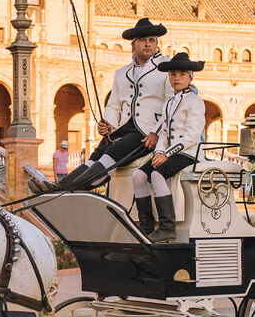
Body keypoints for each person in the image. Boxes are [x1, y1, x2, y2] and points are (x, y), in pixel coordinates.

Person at [28, 18, 173, 193]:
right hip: (123, 128)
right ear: (134, 44)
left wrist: (156, 132)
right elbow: (113, 105)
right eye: (143, 40)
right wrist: (108, 125)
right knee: (94, 157)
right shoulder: (122, 73)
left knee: (110, 154)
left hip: (146, 132)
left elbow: (171, 104)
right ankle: (58, 186)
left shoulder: (167, 68)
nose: (148, 44)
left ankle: (63, 190)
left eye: (152, 40)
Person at [132, 53, 206, 242]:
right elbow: (164, 132)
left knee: (157, 174)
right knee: (139, 175)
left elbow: (192, 135)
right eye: (173, 74)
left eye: (181, 74)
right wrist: (158, 152)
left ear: (190, 77)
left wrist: (167, 153)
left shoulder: (195, 102)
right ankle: (146, 224)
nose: (176, 78)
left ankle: (167, 226)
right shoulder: (168, 103)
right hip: (168, 152)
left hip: (189, 153)